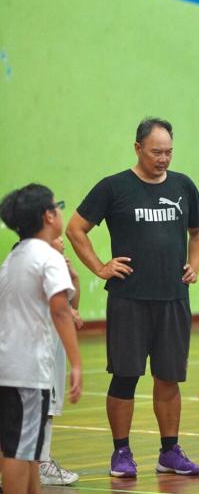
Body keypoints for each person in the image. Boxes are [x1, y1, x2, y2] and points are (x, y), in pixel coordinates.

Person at [66, 118, 199, 478]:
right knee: (126, 376)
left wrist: (194, 264)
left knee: (168, 377)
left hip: (173, 298)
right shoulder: (114, 188)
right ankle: (121, 453)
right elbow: (76, 228)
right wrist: (99, 266)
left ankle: (170, 451)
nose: (164, 159)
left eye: (169, 152)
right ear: (138, 148)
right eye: (157, 152)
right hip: (129, 299)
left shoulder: (183, 186)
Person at [0, 184, 82, 494]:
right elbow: (61, 311)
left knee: (27, 449)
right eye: (58, 206)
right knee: (20, 453)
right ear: (48, 216)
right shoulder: (48, 258)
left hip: (7, 368)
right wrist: (76, 363)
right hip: (28, 372)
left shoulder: (13, 259)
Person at [38, 237, 84, 487]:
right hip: (37, 350)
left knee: (47, 408)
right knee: (41, 408)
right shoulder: (38, 263)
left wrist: (73, 276)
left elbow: (71, 306)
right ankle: (40, 464)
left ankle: (38, 463)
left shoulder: (56, 265)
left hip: (52, 349)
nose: (61, 239)